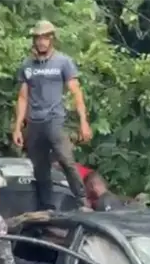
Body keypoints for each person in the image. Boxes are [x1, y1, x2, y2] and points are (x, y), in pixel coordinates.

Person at [12, 20, 91, 211]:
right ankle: (47, 206)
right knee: (40, 167)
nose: (40, 42)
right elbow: (23, 97)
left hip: (55, 118)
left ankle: (82, 200)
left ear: (51, 39)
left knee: (66, 159)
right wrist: (17, 126)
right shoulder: (27, 65)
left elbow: (76, 92)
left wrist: (83, 122)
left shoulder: (63, 62)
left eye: (44, 38)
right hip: (34, 121)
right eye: (37, 38)